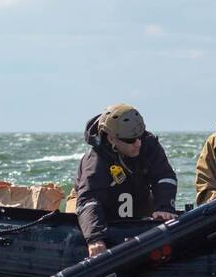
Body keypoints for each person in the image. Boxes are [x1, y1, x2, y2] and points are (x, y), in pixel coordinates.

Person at [68, 103, 178, 257]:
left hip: (135, 195)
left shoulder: (148, 143)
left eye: (140, 137)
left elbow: (165, 176)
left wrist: (165, 207)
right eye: (130, 140)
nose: (138, 143)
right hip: (93, 201)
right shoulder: (95, 160)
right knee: (82, 217)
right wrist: (94, 238)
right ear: (112, 138)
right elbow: (88, 199)